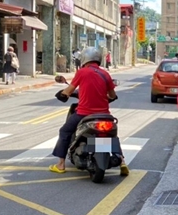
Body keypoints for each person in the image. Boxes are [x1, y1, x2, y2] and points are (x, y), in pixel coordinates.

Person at [49, 47, 129, 175]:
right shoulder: (105, 74)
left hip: (84, 114)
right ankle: (123, 162)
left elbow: (69, 91)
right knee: (112, 136)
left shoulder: (82, 72)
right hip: (104, 115)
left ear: (84, 59)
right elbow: (112, 95)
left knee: (64, 131)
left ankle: (60, 164)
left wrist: (63, 94)